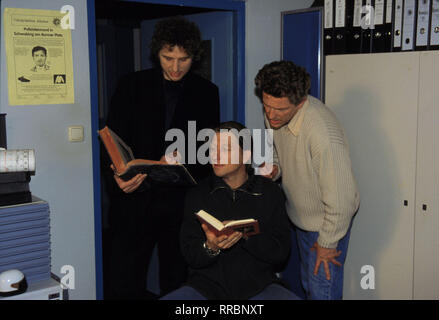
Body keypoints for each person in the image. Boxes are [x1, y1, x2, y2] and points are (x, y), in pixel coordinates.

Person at [102, 16, 220, 299]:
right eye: (169, 58)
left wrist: (183, 162)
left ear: (194, 56)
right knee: (124, 279)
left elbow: (206, 152)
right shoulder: (130, 85)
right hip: (133, 199)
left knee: (177, 282)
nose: (176, 66)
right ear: (157, 53)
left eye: (184, 59)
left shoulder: (207, 92)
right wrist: (117, 176)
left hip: (179, 205)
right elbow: (112, 141)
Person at [254, 60, 360, 300]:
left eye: (279, 109)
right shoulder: (275, 109)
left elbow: (343, 199)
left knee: (323, 292)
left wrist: (328, 243)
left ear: (301, 102)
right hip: (302, 217)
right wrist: (274, 168)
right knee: (308, 285)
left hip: (327, 223)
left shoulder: (322, 133)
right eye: (266, 105)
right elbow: (276, 150)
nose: (270, 114)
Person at [161, 121, 299, 300]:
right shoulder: (198, 193)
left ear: (246, 155)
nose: (215, 156)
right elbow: (190, 254)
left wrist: (246, 235)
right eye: (212, 149)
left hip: (259, 287)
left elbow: (281, 252)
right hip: (206, 287)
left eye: (225, 149)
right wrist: (210, 247)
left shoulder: (268, 192)